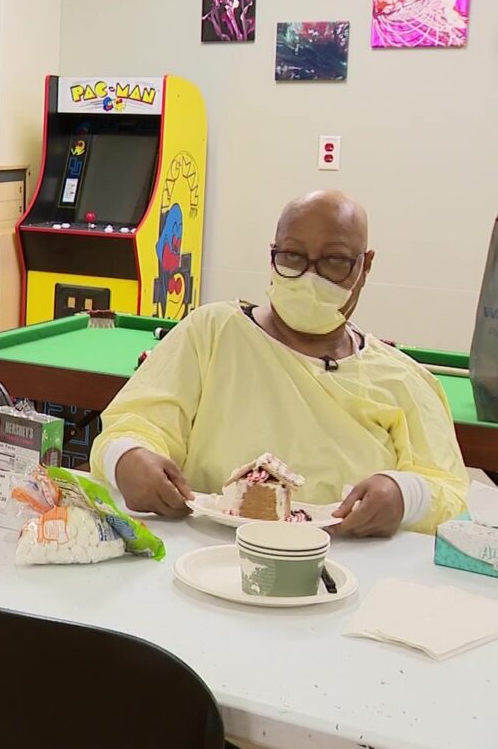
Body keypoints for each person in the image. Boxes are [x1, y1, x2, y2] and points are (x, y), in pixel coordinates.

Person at [95, 190, 468, 537]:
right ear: (272, 255)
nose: (310, 277)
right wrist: (126, 458)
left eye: (334, 261)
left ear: (364, 266)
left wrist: (404, 495)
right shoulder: (212, 333)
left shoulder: (403, 378)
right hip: (207, 555)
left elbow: (449, 490)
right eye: (292, 257)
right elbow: (133, 425)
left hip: (344, 573)